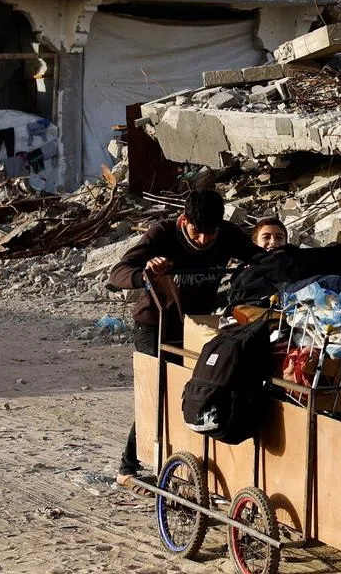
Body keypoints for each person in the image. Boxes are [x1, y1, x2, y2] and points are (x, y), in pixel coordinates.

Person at [108, 189, 261, 482]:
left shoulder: (228, 234)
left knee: (201, 389)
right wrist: (146, 273)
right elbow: (119, 272)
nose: (204, 240)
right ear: (183, 220)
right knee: (159, 388)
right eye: (197, 231)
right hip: (156, 323)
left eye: (211, 233)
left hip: (197, 326)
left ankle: (183, 461)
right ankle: (128, 467)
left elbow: (258, 259)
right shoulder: (161, 234)